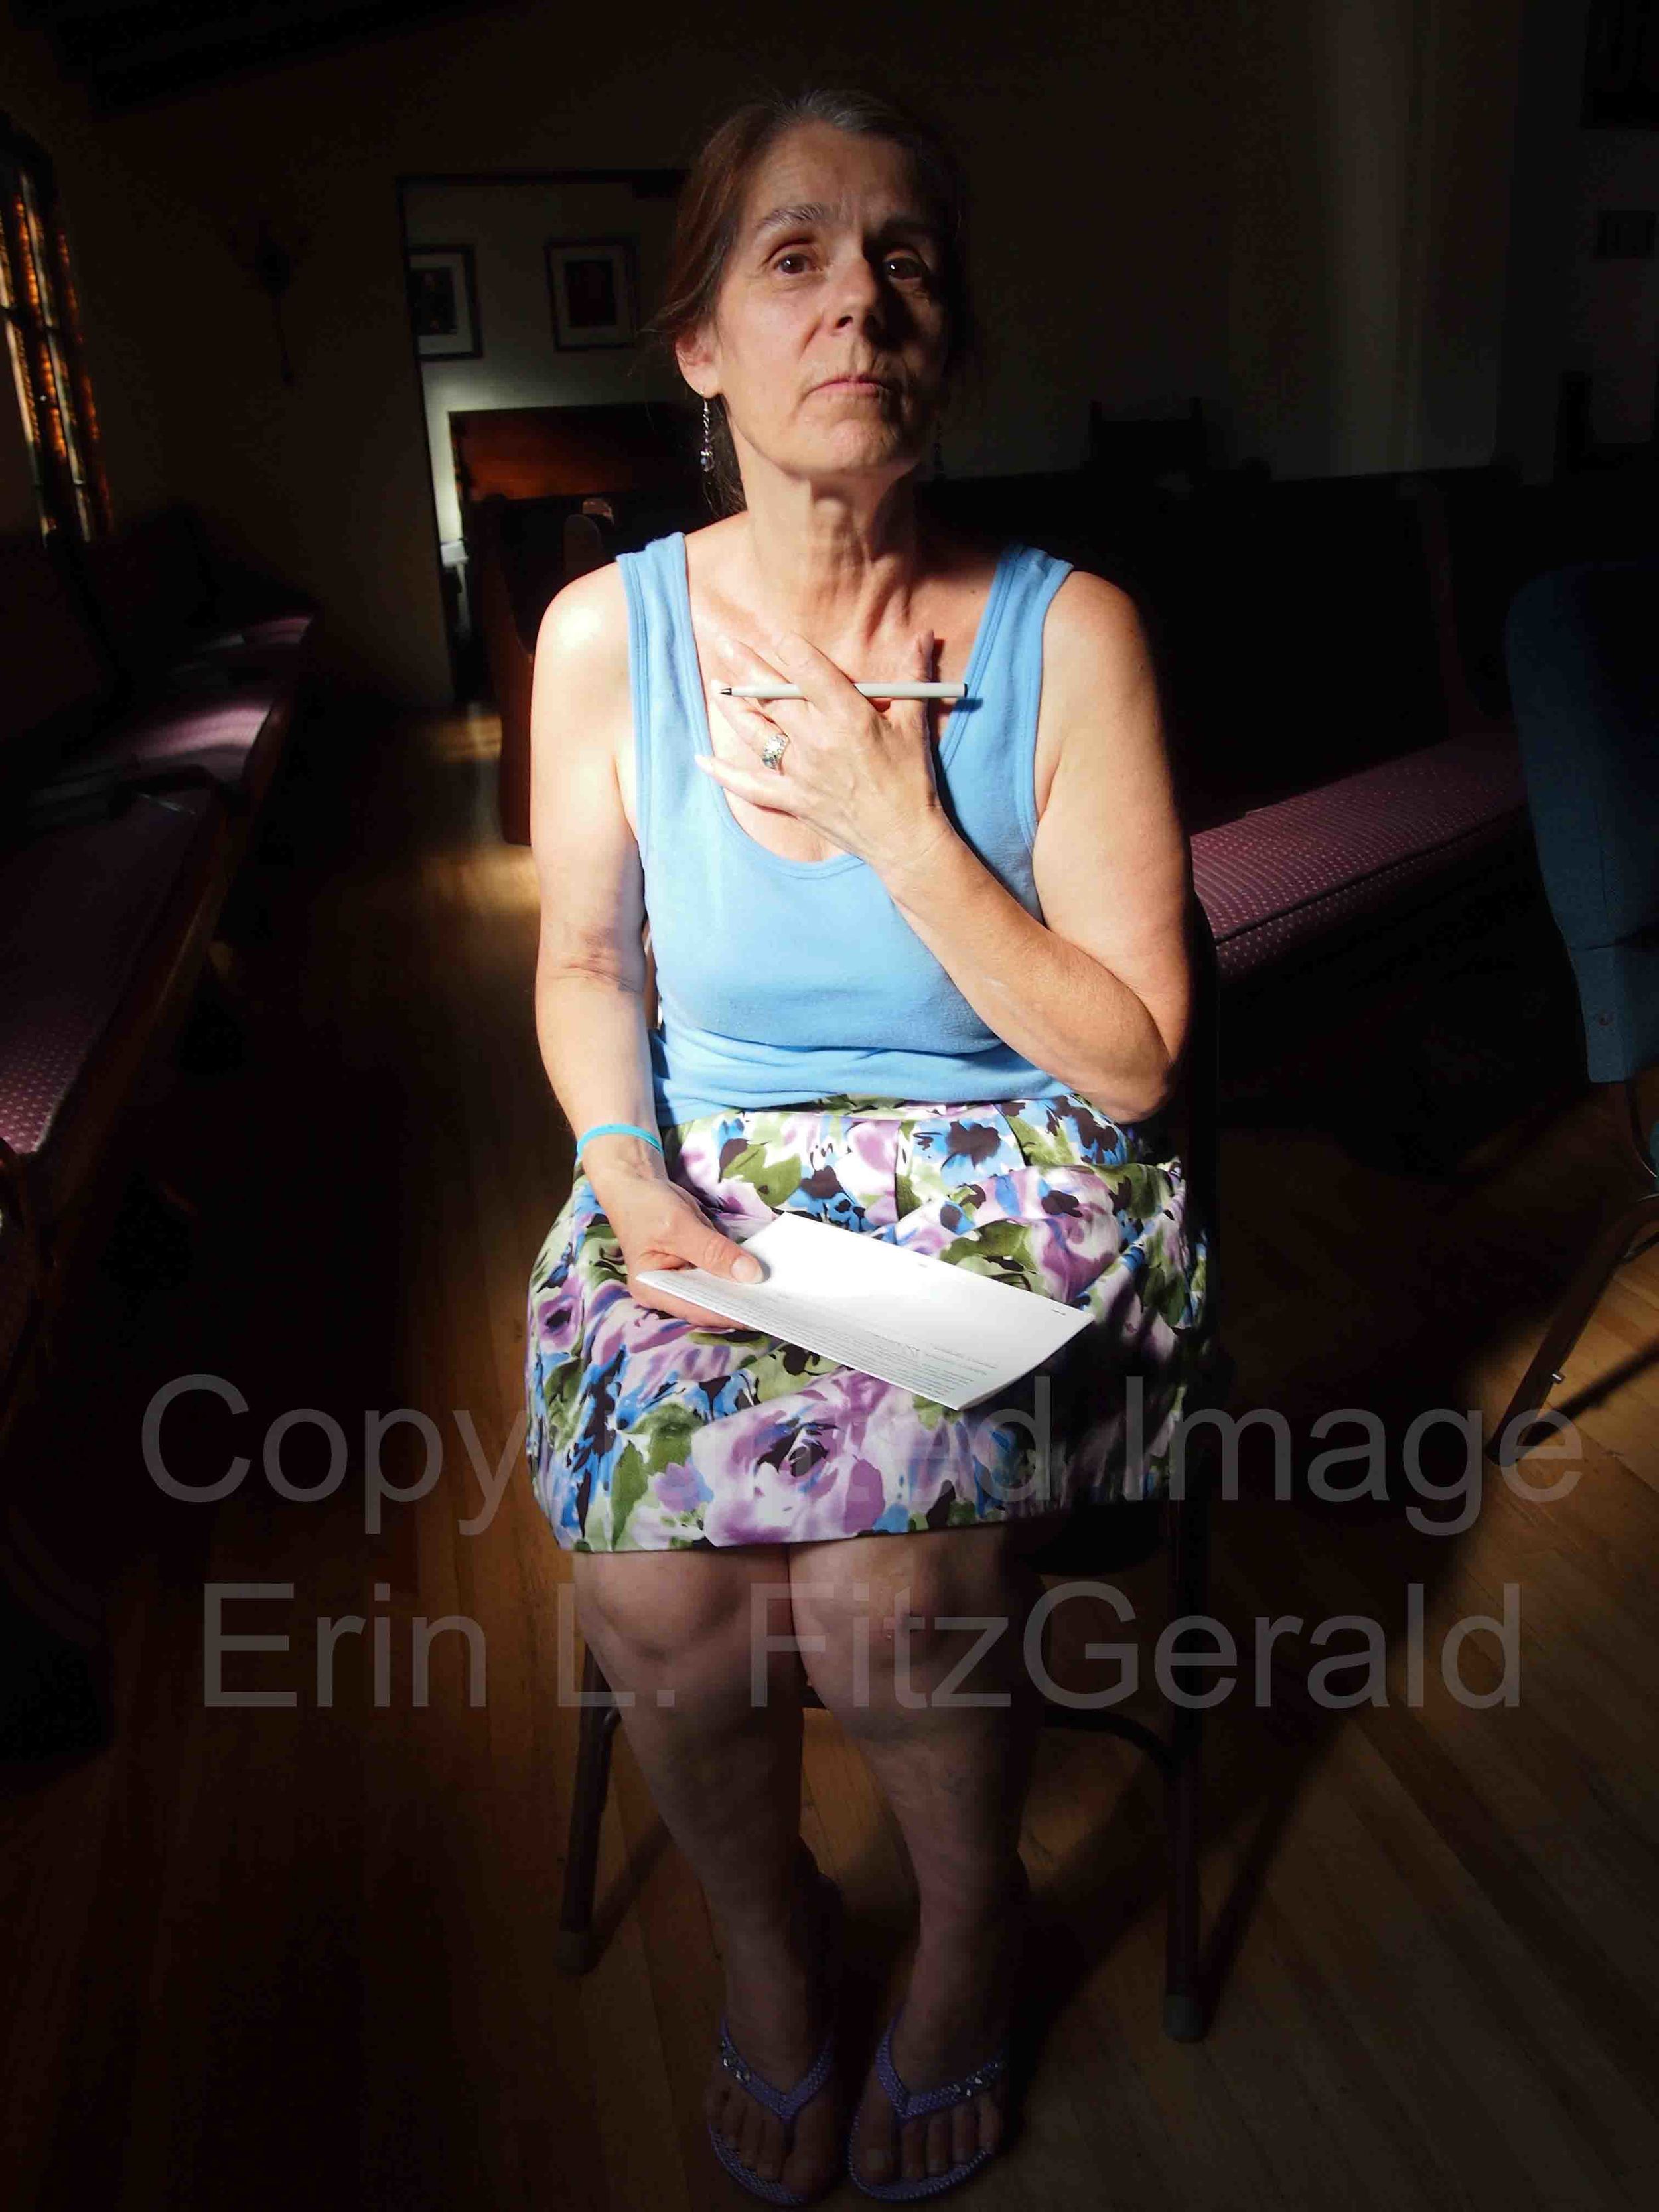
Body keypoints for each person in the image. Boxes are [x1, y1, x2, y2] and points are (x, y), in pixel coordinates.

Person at [523, 85, 1209, 2205]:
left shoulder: (1065, 630)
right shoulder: (601, 636)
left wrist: (905, 825)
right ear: (704, 344)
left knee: (887, 1579)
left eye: (903, 256)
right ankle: (772, 1939)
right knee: (652, 1578)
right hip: (712, 1165)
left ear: (949, 330)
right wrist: (633, 1178)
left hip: (1014, 1164)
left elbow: (1130, 1064)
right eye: (795, 256)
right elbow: (580, 959)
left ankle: (971, 1930)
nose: (860, 299)